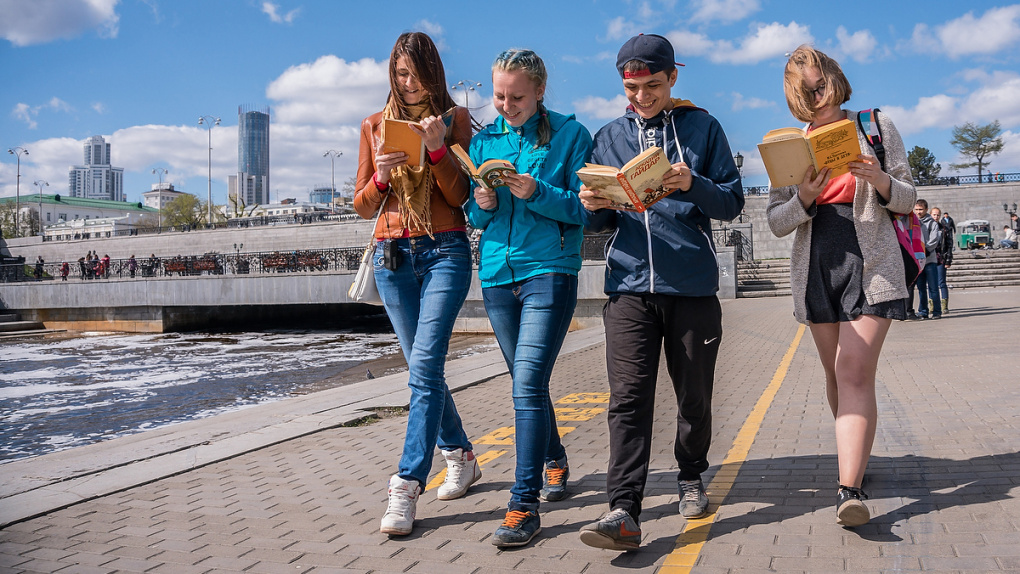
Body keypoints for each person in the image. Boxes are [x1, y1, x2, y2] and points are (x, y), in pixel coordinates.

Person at [577, 33, 744, 550]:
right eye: (632, 87)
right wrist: (593, 203)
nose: (642, 96)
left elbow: (732, 203)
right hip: (628, 286)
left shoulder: (703, 127)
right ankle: (623, 508)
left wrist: (690, 183)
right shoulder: (608, 135)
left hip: (691, 286)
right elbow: (600, 221)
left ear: (673, 78)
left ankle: (691, 473)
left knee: (693, 395)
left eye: (652, 85)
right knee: (627, 399)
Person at [766, 45, 916, 527]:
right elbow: (775, 221)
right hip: (816, 263)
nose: (816, 96)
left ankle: (847, 488)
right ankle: (856, 459)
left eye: (820, 85)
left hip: (872, 260)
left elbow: (909, 199)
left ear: (833, 78)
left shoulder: (874, 124)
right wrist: (804, 198)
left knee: (852, 369)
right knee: (835, 374)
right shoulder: (787, 143)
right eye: (805, 92)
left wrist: (880, 179)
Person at [464, 48, 593, 548]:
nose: (506, 105)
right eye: (498, 96)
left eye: (516, 97)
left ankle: (524, 504)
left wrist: (535, 190)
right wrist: (481, 203)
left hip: (549, 271)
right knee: (527, 381)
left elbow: (585, 211)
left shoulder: (570, 136)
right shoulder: (483, 141)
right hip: (497, 274)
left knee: (525, 385)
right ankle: (555, 458)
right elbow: (476, 220)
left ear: (539, 91)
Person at [354, 31, 480, 537]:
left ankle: (405, 485)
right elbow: (362, 203)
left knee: (424, 368)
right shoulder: (373, 125)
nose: (408, 84)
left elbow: (460, 193)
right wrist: (382, 178)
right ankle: (461, 455)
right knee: (422, 369)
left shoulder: (457, 121)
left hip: (444, 250)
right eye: (400, 74)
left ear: (434, 75)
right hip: (390, 255)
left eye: (416, 74)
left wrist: (435, 150)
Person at [914, 200, 942, 320]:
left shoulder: (932, 223)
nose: (918, 212)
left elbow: (934, 239)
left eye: (921, 209)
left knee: (933, 287)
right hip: (918, 261)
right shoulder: (913, 222)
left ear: (926, 210)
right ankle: (923, 311)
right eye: (916, 209)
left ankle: (936, 311)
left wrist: (924, 250)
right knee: (921, 288)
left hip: (930, 260)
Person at [930, 207, 952, 313]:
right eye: (934, 215)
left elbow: (949, 245)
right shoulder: (926, 227)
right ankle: (932, 305)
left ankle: (944, 306)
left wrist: (948, 260)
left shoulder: (944, 228)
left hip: (941, 258)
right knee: (930, 283)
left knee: (941, 282)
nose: (936, 217)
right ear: (930, 215)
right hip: (929, 258)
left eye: (938, 215)